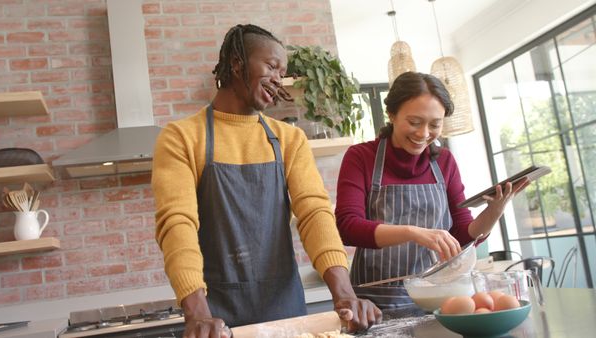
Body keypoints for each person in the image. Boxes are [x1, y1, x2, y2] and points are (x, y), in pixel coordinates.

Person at [152, 24, 382, 337]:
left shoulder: (289, 139)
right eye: (271, 66)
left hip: (286, 314)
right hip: (215, 319)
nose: (278, 78)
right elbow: (177, 224)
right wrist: (198, 314)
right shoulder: (182, 137)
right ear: (237, 64)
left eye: (282, 71)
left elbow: (314, 213)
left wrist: (345, 294)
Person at [334, 71, 529, 311]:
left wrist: (494, 211)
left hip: (438, 295)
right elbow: (348, 227)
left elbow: (460, 236)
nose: (424, 133)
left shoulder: (444, 161)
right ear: (391, 114)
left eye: (435, 124)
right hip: (375, 302)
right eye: (414, 122)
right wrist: (413, 232)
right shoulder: (361, 157)